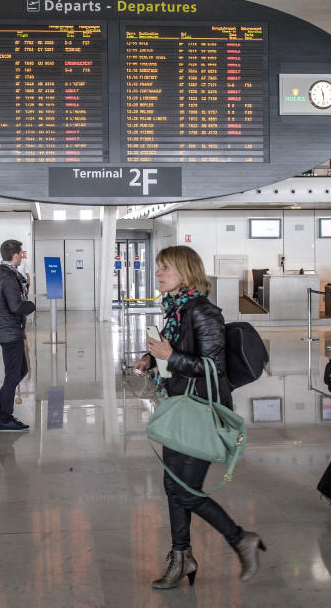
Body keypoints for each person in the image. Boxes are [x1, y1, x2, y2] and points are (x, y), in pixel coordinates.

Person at [132, 245, 264, 589]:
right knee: (172, 487)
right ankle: (181, 557)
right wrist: (152, 357)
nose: (158, 273)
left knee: (186, 490)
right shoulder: (176, 308)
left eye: (165, 268)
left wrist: (170, 356)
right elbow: (178, 351)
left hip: (201, 408)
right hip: (181, 403)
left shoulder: (203, 312)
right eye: (158, 267)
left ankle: (239, 539)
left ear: (186, 272)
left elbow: (212, 367)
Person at [0, 240, 36, 432]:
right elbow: (16, 306)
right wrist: (31, 305)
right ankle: (4, 416)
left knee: (21, 370)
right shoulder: (8, 277)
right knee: (14, 372)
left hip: (4, 329)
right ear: (15, 255)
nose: (22, 256)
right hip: (10, 331)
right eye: (21, 253)